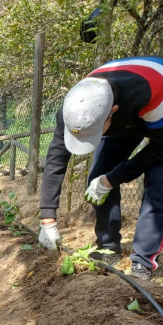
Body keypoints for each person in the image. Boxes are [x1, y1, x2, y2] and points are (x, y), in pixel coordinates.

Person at [39, 56, 163, 280]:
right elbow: (56, 158)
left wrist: (113, 179)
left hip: (156, 112)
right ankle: (108, 249)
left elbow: (159, 150)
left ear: (112, 111)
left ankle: (143, 262)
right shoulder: (77, 106)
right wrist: (47, 218)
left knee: (158, 186)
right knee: (97, 176)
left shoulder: (154, 94)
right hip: (126, 114)